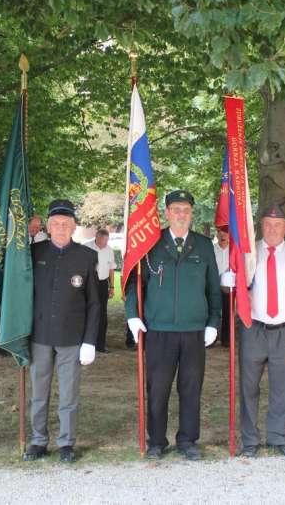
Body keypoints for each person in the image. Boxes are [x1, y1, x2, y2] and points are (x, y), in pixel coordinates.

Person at [125, 190, 221, 461]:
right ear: (166, 213)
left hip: (193, 331)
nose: (181, 214)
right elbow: (135, 285)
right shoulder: (151, 244)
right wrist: (132, 315)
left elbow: (213, 287)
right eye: (176, 209)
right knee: (158, 388)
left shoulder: (203, 246)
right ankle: (156, 440)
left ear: (192, 213)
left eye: (186, 210)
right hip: (160, 330)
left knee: (191, 388)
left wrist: (214, 321)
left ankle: (188, 440)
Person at [228, 204, 285, 458]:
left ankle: (278, 437)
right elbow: (237, 291)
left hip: (284, 331)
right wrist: (229, 284)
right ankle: (250, 441)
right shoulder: (248, 253)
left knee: (281, 387)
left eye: (277, 225)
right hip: (253, 328)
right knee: (248, 386)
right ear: (261, 226)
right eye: (267, 224)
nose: (272, 229)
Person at [23, 199, 99, 464]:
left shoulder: (87, 256)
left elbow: (94, 303)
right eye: (56, 224)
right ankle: (38, 440)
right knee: (38, 393)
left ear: (74, 226)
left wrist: (90, 340)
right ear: (48, 226)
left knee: (68, 394)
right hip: (40, 336)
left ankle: (66, 442)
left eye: (66, 224)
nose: (60, 228)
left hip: (71, 338)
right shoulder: (33, 253)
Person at [83, 228, 117, 353]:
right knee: (87, 311)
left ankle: (100, 344)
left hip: (102, 283)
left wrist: (112, 287)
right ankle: (85, 342)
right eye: (103, 241)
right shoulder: (86, 247)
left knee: (102, 314)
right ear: (96, 238)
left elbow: (111, 269)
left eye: (107, 241)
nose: (105, 244)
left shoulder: (109, 250)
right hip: (89, 283)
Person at [213, 228, 231, 347]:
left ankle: (226, 340)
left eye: (225, 232)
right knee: (213, 312)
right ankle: (211, 339)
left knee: (227, 312)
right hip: (213, 285)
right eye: (220, 232)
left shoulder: (234, 250)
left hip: (228, 286)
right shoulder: (211, 249)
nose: (222, 235)